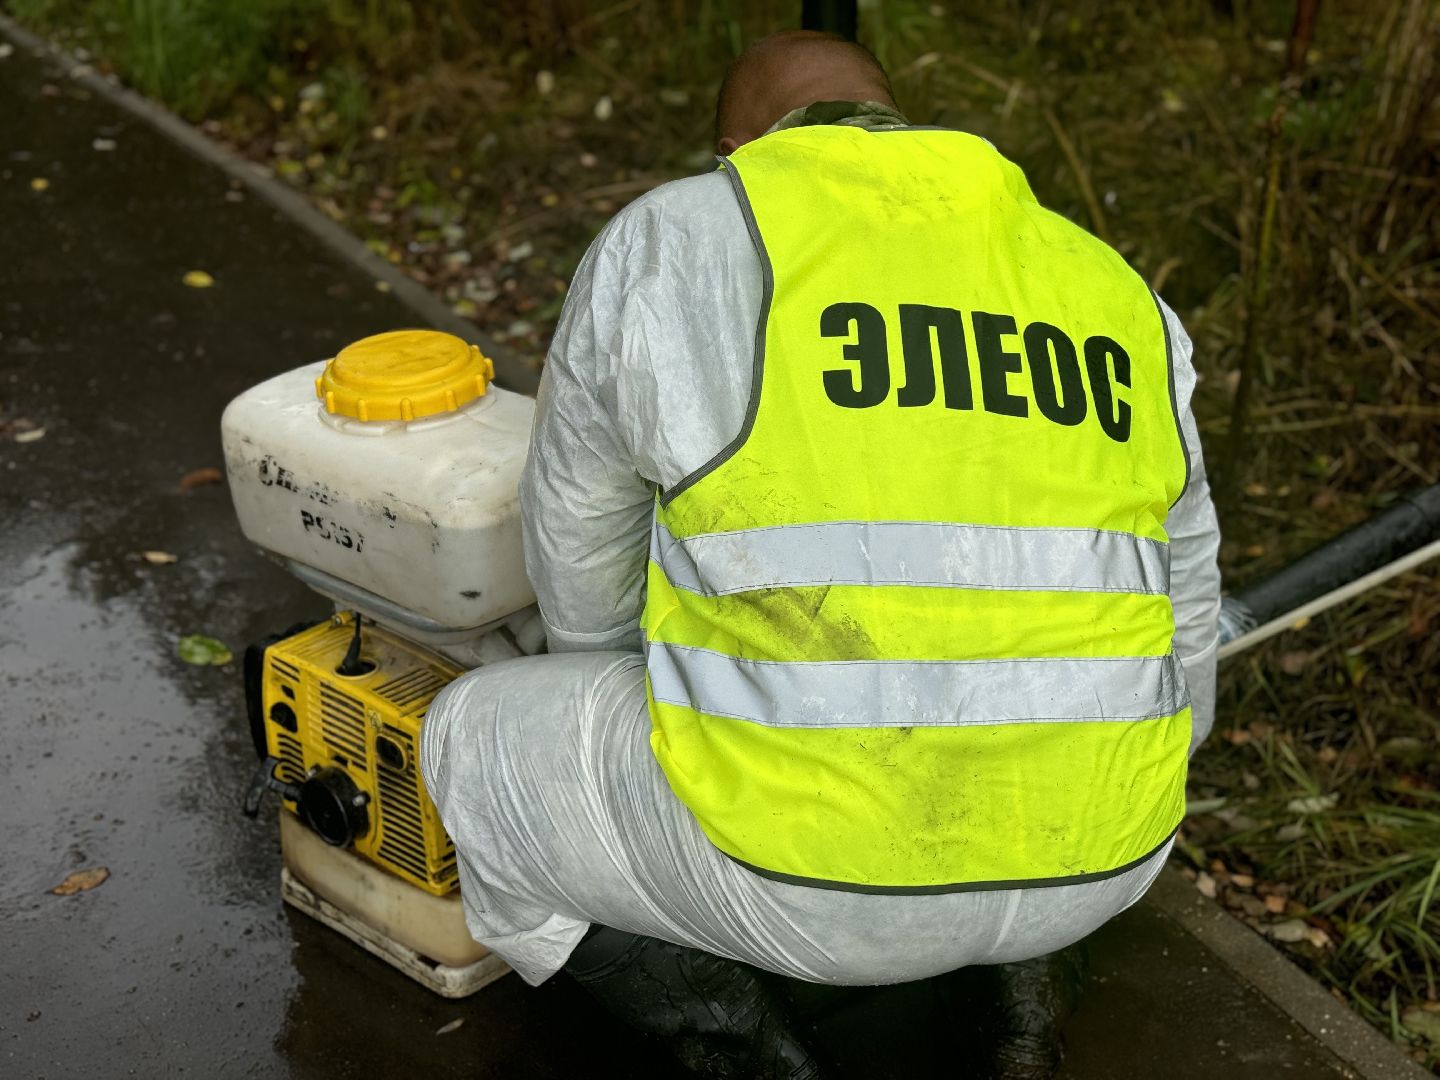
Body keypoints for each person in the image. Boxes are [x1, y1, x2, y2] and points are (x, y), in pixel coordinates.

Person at [421, 29, 1221, 1079]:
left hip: (810, 884)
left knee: (467, 738)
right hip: (1114, 848)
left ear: (734, 145)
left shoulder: (684, 237)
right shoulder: (1113, 286)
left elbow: (581, 552)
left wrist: (653, 707)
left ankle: (753, 1055)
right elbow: (1188, 585)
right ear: (896, 120)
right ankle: (1017, 1013)